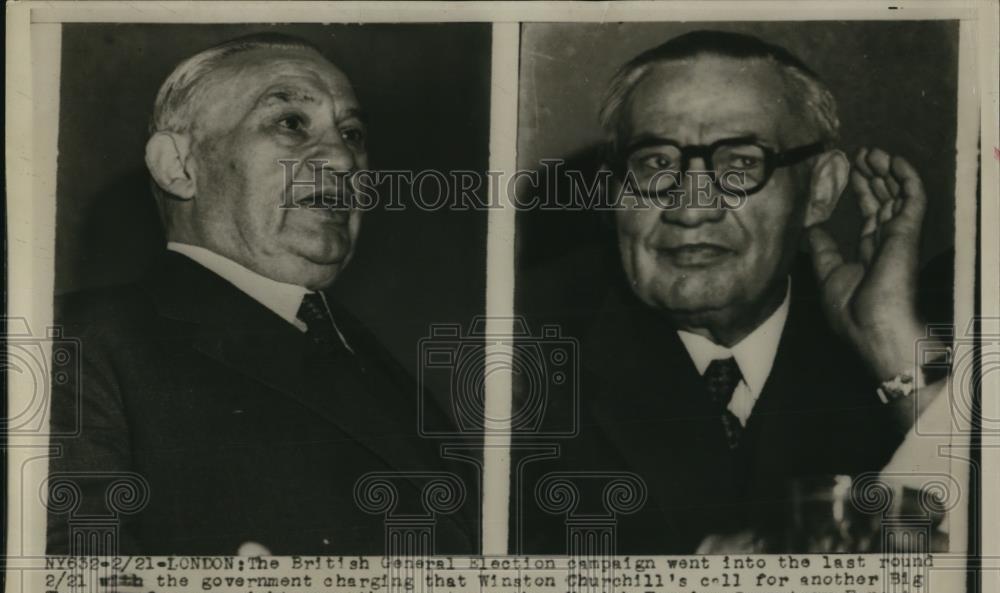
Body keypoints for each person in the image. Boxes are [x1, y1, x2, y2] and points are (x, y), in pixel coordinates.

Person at [516, 30, 950, 554]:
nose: (691, 208)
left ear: (820, 190)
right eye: (655, 162)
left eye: (740, 164)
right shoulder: (520, 344)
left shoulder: (913, 332)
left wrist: (893, 347)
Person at [47, 34, 478, 556]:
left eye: (353, 132)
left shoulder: (368, 356)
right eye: (291, 123)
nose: (343, 160)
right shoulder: (80, 341)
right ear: (178, 167)